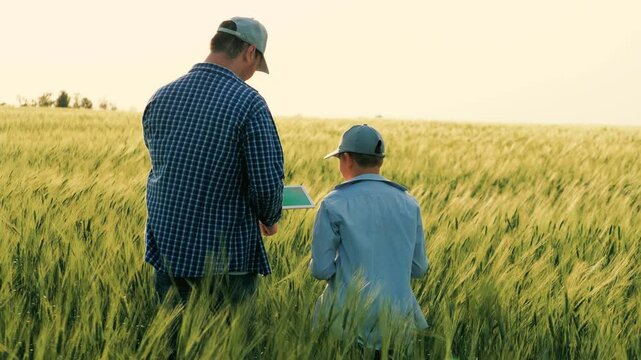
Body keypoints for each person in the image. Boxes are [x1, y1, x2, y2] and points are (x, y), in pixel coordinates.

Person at [142, 16, 284, 307]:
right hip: (226, 261)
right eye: (256, 65)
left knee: (173, 347)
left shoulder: (161, 97)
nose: (252, 73)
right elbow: (266, 185)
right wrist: (270, 219)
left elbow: (168, 169)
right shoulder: (249, 103)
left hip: (169, 253)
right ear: (250, 53)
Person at [310, 124, 429, 355]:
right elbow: (419, 268)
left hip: (346, 323)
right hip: (397, 322)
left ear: (346, 159)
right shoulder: (409, 203)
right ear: (380, 161)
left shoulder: (333, 203)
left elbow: (321, 270)